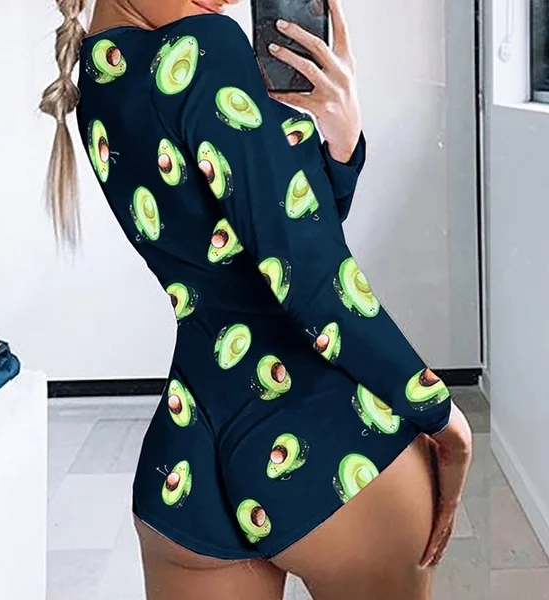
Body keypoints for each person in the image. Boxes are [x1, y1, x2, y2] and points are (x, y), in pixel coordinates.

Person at [40, 0, 473, 598]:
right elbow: (307, 273)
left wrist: (340, 142)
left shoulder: (95, 77)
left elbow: (263, 241)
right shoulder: (206, 46)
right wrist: (438, 411)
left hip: (188, 463)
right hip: (327, 439)